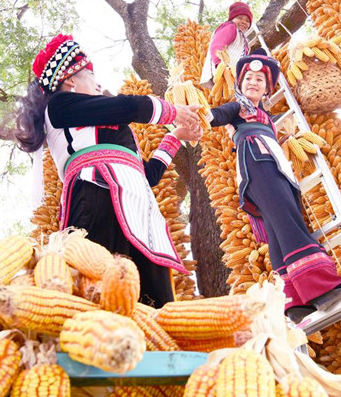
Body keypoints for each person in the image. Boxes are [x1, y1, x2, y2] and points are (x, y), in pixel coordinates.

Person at [15, 34, 202, 308]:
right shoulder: (60, 106)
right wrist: (174, 112)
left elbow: (146, 175)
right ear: (70, 80)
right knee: (101, 287)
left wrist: (175, 136)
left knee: (153, 301)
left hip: (139, 206)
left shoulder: (103, 122)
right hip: (95, 193)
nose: (99, 83)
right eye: (91, 75)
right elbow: (128, 106)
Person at [209, 49, 341, 322]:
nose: (253, 83)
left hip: (273, 166)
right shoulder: (238, 108)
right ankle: (323, 288)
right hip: (258, 164)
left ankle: (294, 300)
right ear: (240, 86)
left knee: (279, 229)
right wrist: (194, 116)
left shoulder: (265, 116)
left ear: (267, 90)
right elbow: (215, 116)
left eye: (259, 80)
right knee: (288, 221)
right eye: (248, 79)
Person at [199, 1, 253, 87]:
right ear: (232, 19)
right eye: (240, 18)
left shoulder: (243, 39)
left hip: (232, 78)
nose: (244, 22)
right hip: (220, 74)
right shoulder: (230, 27)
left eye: (247, 21)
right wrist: (220, 66)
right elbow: (217, 46)